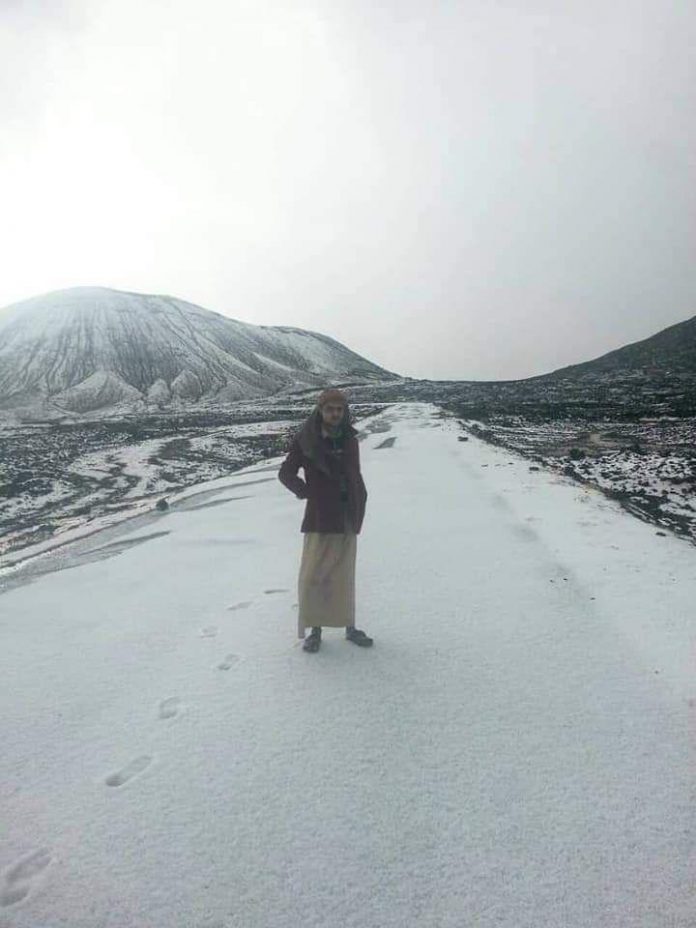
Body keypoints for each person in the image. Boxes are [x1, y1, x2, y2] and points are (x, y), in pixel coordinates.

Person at [277, 387, 373, 652]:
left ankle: (350, 627)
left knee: (344, 576)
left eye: (339, 409)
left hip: (346, 516)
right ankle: (315, 630)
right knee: (314, 576)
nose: (335, 414)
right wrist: (307, 493)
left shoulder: (350, 439)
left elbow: (354, 474)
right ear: (320, 411)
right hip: (320, 518)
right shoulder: (306, 439)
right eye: (330, 409)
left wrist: (360, 497)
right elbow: (286, 473)